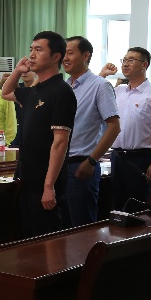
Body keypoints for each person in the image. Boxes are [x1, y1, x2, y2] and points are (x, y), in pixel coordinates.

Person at [1, 31, 77, 238]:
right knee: (26, 237)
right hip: (26, 177)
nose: (32, 55)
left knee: (46, 240)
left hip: (45, 182)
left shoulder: (61, 91)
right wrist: (18, 70)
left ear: (56, 57)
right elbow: (5, 92)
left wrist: (49, 186)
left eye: (39, 50)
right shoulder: (34, 90)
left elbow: (60, 143)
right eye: (31, 50)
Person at [60, 36, 120, 226]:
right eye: (63, 54)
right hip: (58, 165)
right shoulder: (64, 86)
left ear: (86, 55)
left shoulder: (100, 85)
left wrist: (92, 161)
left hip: (81, 164)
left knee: (81, 227)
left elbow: (114, 127)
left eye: (70, 53)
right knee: (61, 227)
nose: (65, 58)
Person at [104, 48, 151, 212]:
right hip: (117, 157)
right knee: (118, 205)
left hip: (141, 159)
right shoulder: (118, 91)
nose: (126, 64)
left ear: (144, 65)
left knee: (139, 207)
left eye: (131, 60)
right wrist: (103, 74)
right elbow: (93, 93)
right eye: (124, 60)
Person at [11, 69, 38, 149]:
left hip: (34, 127)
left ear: (36, 73)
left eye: (28, 71)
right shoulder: (18, 87)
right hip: (18, 127)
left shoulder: (41, 88)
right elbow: (3, 93)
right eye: (23, 71)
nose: (25, 73)